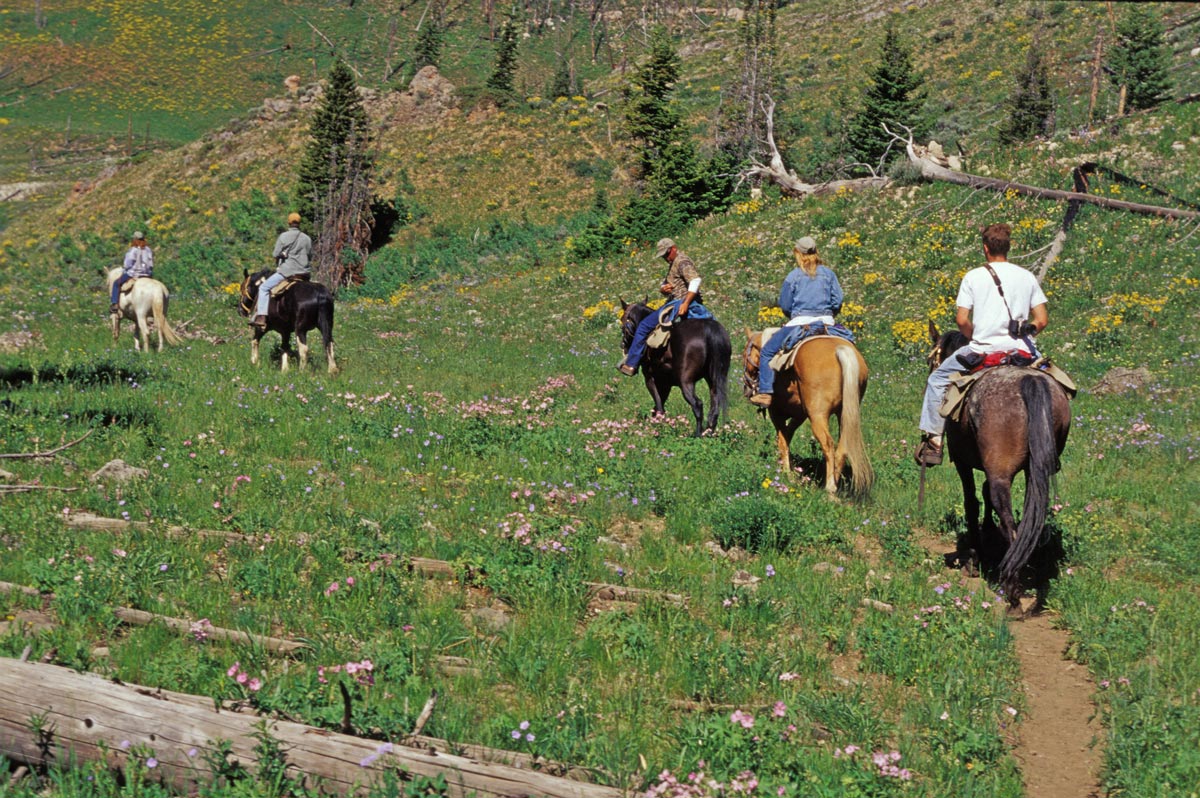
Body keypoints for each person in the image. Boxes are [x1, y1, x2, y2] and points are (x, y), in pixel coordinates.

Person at [915, 223, 1048, 466]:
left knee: (937, 380)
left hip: (982, 349)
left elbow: (962, 319)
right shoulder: (1026, 277)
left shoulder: (973, 277)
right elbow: (1042, 320)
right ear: (1008, 248)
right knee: (1052, 380)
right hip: (1022, 351)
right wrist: (1027, 330)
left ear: (985, 249)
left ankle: (934, 441)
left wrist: (974, 334)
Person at [748, 236, 845, 408]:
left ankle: (765, 393)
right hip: (827, 323)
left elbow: (785, 304)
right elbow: (837, 300)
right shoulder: (829, 274)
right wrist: (829, 315)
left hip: (800, 322)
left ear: (798, 253)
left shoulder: (793, 276)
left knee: (767, 352)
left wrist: (793, 315)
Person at [617, 238, 709, 376]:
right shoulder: (674, 262)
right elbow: (670, 282)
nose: (665, 258)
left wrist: (685, 303)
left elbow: (695, 280)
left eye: (666, 254)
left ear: (673, 248)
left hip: (679, 302)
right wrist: (663, 289)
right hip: (681, 300)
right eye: (663, 256)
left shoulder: (682, 261)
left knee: (643, 326)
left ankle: (631, 364)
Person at [252, 212, 313, 330]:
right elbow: (310, 255)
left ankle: (262, 317)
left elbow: (275, 254)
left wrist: (283, 255)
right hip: (304, 273)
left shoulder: (283, 236)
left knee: (263, 288)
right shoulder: (307, 238)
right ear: (299, 223)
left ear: (289, 222)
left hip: (288, 272)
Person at [110, 231, 154, 312]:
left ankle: (115, 304)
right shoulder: (148, 250)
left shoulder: (133, 250)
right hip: (147, 274)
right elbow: (151, 264)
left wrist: (125, 269)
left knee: (116, 283)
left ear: (135, 239)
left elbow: (127, 264)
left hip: (134, 274)